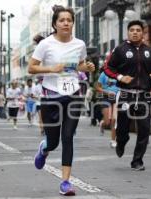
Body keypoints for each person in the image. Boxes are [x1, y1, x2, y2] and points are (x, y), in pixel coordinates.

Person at [28, 5, 95, 196]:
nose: (66, 23)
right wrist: (52, 69)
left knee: (68, 138)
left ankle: (65, 182)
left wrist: (87, 67)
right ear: (55, 24)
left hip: (73, 94)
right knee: (53, 142)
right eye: (62, 20)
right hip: (51, 96)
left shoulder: (79, 44)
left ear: (73, 23)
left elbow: (79, 66)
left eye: (69, 20)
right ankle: (44, 148)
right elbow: (31, 68)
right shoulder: (46, 44)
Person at [104, 20, 151, 171]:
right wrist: (120, 77)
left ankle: (137, 161)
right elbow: (108, 68)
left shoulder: (150, 51)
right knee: (122, 129)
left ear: (143, 33)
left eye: (138, 30)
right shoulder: (120, 50)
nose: (135, 32)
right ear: (128, 32)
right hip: (125, 94)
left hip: (143, 96)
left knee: (144, 129)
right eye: (132, 30)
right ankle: (122, 141)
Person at [95, 69, 118, 148]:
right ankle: (102, 124)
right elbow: (97, 87)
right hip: (106, 98)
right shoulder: (104, 74)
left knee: (114, 119)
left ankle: (113, 140)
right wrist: (107, 92)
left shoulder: (120, 73)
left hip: (117, 98)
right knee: (107, 121)